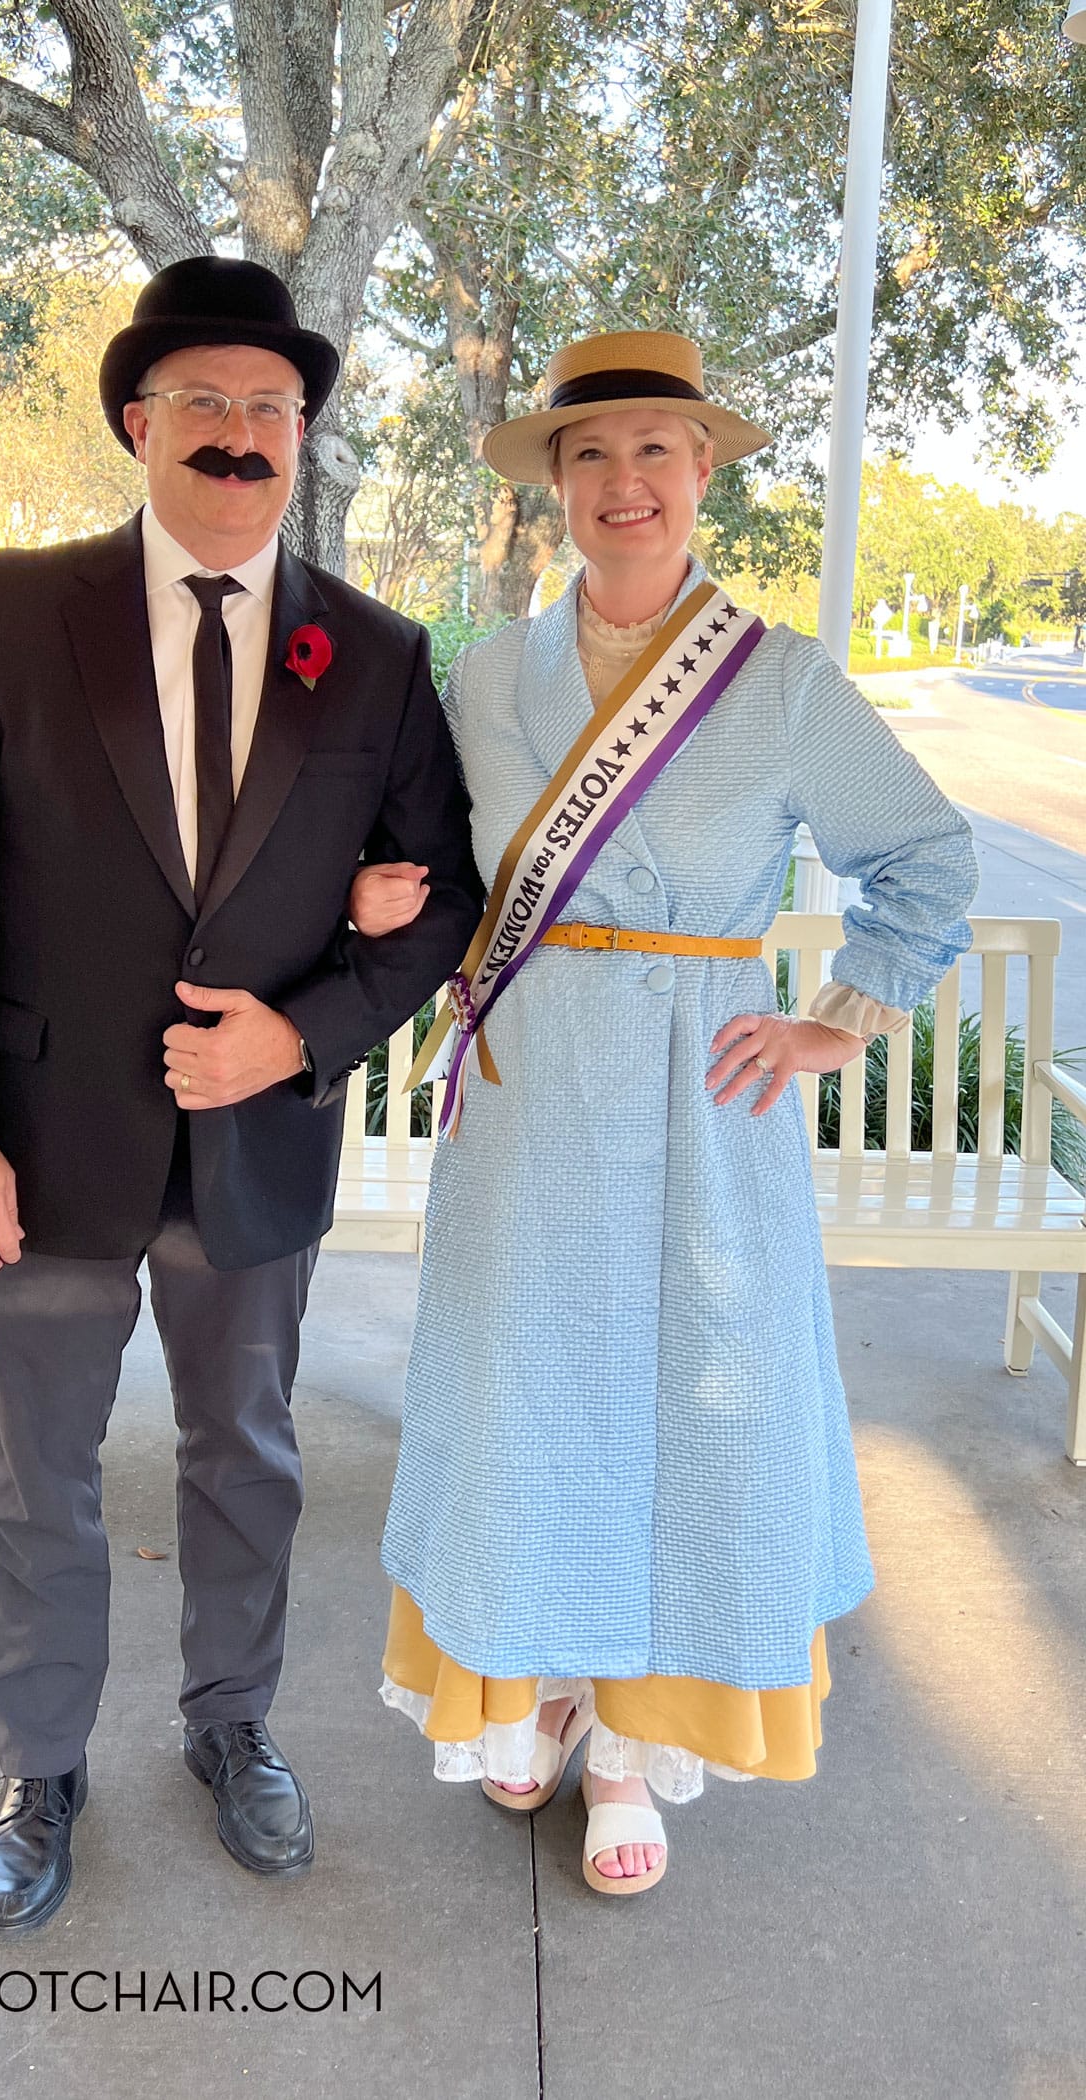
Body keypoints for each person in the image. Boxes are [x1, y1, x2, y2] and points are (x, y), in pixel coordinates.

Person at [0, 257, 482, 1930]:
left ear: (301, 441)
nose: (237, 435)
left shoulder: (374, 650)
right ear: (139, 423)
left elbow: (444, 892)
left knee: (247, 1457)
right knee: (33, 1474)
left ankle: (234, 1729)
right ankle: (39, 1763)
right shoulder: (8, 606)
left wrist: (305, 1035)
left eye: (268, 409)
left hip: (253, 1157)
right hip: (38, 1156)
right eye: (202, 402)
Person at [351, 330, 977, 1896]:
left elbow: (926, 861)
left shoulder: (778, 681)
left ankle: (631, 1738)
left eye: (656, 451)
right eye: (590, 456)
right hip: (530, 1081)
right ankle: (537, 1678)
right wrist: (385, 907)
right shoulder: (490, 674)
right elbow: (433, 857)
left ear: (705, 474)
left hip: (711, 1087)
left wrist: (839, 1024)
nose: (623, 483)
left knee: (696, 1400)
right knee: (531, 1388)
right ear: (553, 486)